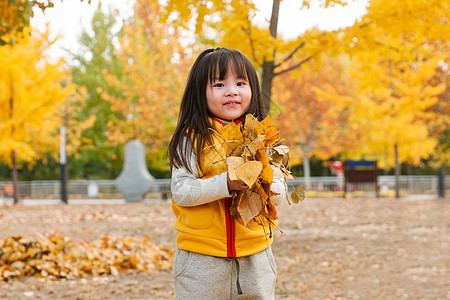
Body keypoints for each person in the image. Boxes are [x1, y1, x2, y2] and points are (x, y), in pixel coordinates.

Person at [168, 47, 287, 299]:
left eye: (240, 82)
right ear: (200, 93)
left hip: (255, 254)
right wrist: (227, 183)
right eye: (219, 84)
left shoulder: (260, 138)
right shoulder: (192, 139)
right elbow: (182, 192)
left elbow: (279, 190)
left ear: (252, 89)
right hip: (201, 258)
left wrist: (267, 183)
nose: (232, 90)